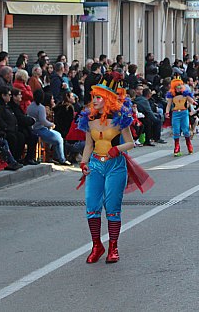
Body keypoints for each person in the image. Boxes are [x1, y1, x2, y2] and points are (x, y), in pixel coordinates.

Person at [77, 72, 154, 263]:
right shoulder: (89, 119)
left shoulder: (120, 119)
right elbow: (88, 144)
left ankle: (113, 246)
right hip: (95, 164)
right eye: (93, 97)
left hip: (115, 166)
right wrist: (84, 162)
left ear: (108, 100)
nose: (93, 100)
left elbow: (131, 142)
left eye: (98, 97)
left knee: (112, 207)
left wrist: (116, 149)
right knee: (92, 206)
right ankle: (97, 245)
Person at [27, 89, 71, 166]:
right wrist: (51, 124)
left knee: (58, 135)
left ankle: (57, 157)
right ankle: (62, 159)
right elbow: (43, 120)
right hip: (40, 129)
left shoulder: (30, 106)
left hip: (33, 129)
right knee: (59, 138)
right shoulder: (41, 108)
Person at [165, 76, 196, 156]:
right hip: (175, 113)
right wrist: (167, 112)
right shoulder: (172, 95)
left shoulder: (185, 94)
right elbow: (168, 105)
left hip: (184, 113)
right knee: (176, 130)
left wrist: (194, 103)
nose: (178, 88)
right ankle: (177, 146)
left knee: (186, 129)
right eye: (176, 86)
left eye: (179, 86)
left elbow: (191, 100)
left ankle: (189, 144)